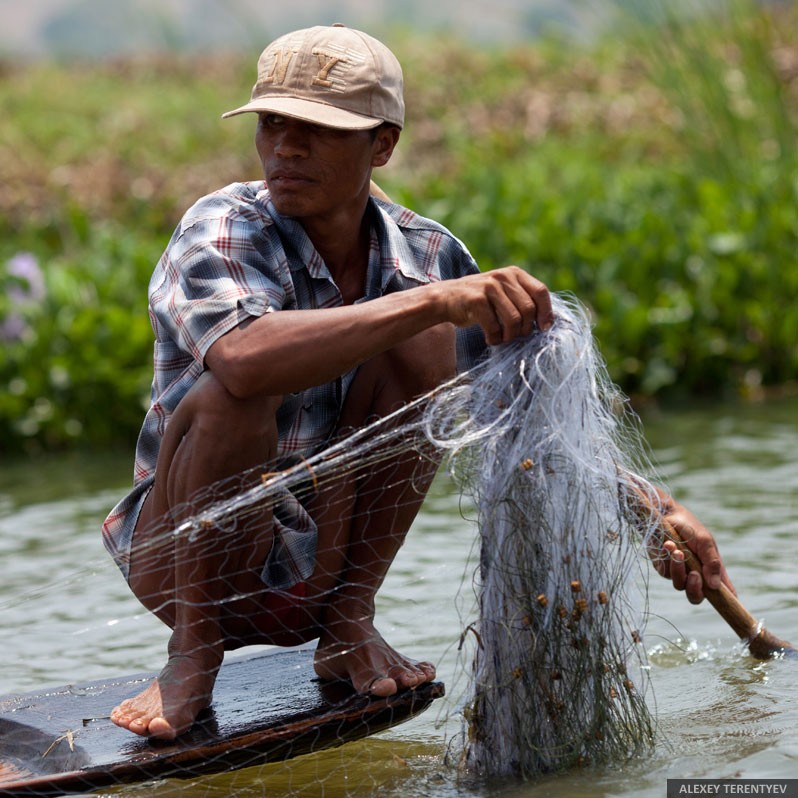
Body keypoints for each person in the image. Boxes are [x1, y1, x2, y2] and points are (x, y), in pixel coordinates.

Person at [102, 23, 734, 741]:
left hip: (326, 566)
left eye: (316, 129)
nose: (286, 147)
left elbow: (527, 409)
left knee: (426, 348)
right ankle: (193, 652)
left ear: (383, 145)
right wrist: (430, 301)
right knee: (232, 396)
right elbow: (246, 358)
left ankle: (346, 626)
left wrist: (654, 509)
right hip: (182, 569)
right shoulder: (223, 226)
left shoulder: (429, 251)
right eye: (272, 124)